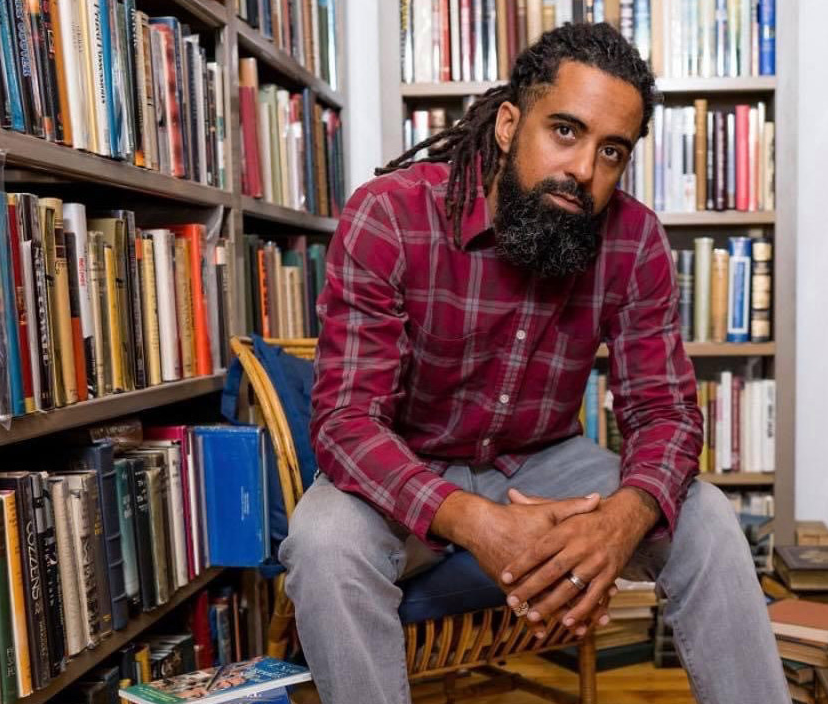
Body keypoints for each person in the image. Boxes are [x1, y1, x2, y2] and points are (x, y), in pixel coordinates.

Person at [279, 21, 786, 704]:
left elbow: (664, 413)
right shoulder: (390, 216)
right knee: (323, 543)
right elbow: (345, 422)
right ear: (509, 123)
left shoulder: (633, 238)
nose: (583, 170)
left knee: (709, 520)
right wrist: (474, 522)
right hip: (409, 461)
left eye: (612, 152)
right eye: (566, 132)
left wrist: (618, 523)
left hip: (545, 464)